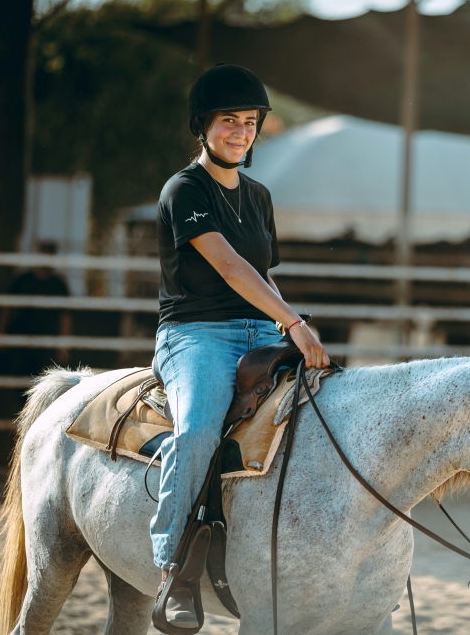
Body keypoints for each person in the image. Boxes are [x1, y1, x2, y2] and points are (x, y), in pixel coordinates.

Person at [151, 63, 329, 630]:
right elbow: (228, 267)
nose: (242, 132)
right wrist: (296, 323)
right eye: (230, 120)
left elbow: (261, 277)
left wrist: (284, 326)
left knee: (329, 415)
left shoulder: (258, 196)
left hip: (260, 330)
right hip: (194, 333)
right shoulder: (184, 189)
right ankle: (174, 569)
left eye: (251, 123)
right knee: (199, 428)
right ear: (203, 125)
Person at [0, 241, 72, 374]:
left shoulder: (58, 285)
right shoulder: (22, 280)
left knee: (41, 378)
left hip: (46, 342)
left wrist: (63, 347)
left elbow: (65, 317)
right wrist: (1, 334)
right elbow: (7, 308)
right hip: (21, 337)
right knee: (18, 375)